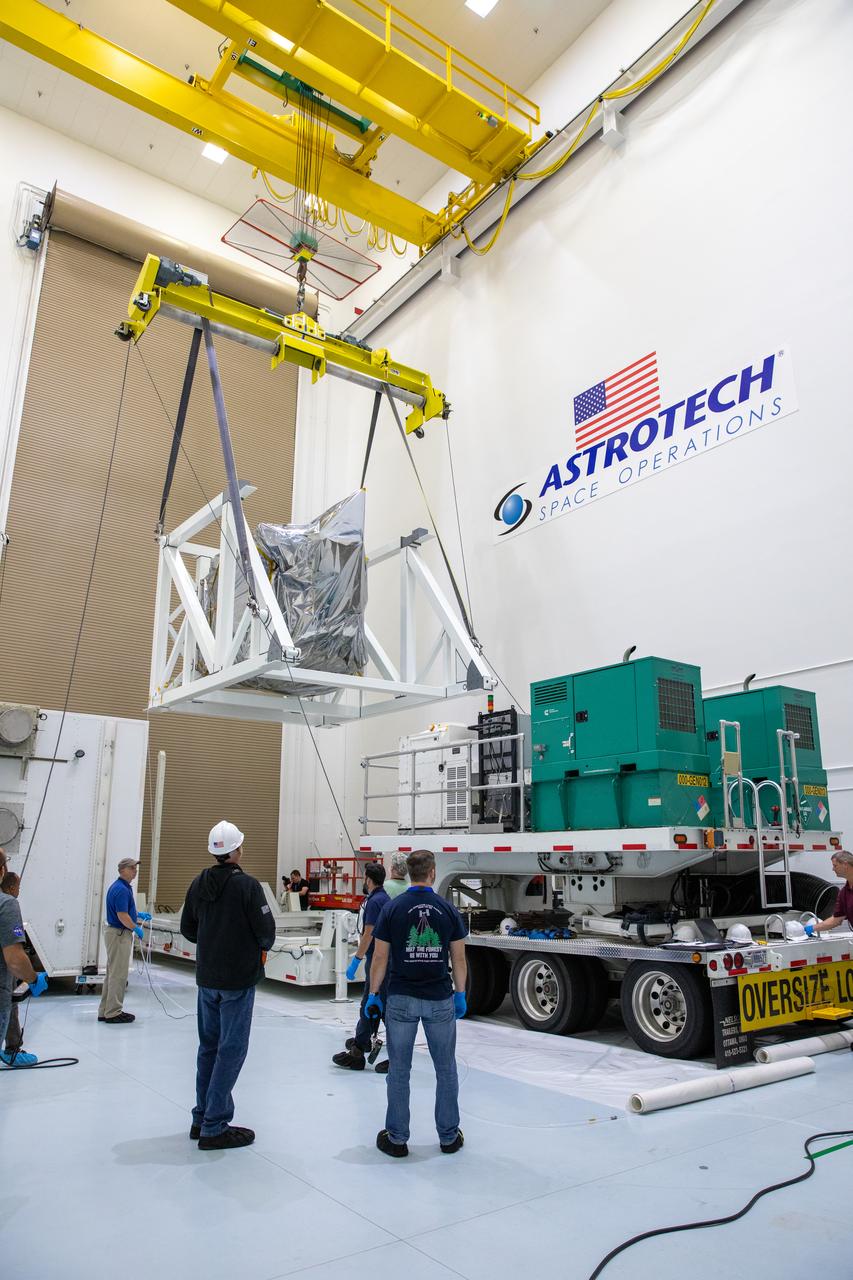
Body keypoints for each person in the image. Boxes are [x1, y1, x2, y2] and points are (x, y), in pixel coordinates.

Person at [180, 820, 276, 1151]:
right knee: (231, 1049)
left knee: (208, 1047)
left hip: (207, 978)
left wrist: (213, 940)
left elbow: (187, 928)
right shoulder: (248, 887)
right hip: (237, 980)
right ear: (236, 850)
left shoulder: (198, 883)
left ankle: (201, 1116)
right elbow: (267, 933)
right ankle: (215, 1125)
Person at [367, 849, 468, 1158]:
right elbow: (459, 958)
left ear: (410, 874)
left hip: (400, 999)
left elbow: (380, 957)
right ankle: (449, 1137)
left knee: (399, 1069)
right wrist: (460, 993)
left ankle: (397, 1138)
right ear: (433, 873)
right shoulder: (448, 909)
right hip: (439, 998)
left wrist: (373, 994)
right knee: (445, 1068)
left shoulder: (393, 908)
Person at [332, 862, 390, 1073]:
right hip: (379, 959)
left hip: (378, 961)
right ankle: (362, 1041)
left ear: (368, 879)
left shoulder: (375, 902)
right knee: (375, 1005)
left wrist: (357, 958)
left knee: (373, 1004)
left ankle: (358, 1052)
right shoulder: (381, 898)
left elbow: (369, 933)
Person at [1, 852, 48, 1066]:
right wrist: (33, 979)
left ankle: (12, 1048)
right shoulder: (7, 904)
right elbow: (14, 959)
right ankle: (12, 1051)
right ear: (2, 871)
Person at [97, 857, 149, 1025]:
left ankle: (105, 1010)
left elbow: (125, 910)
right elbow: (122, 916)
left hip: (115, 934)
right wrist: (136, 927)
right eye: (132, 868)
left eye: (135, 868)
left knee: (112, 974)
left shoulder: (121, 888)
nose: (135, 871)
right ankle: (113, 1012)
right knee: (118, 975)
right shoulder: (121, 889)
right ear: (122, 870)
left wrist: (138, 914)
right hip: (119, 935)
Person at [805, 850, 853, 933]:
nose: (833, 869)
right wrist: (812, 928)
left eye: (835, 866)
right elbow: (836, 920)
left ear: (845, 865)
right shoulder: (844, 893)